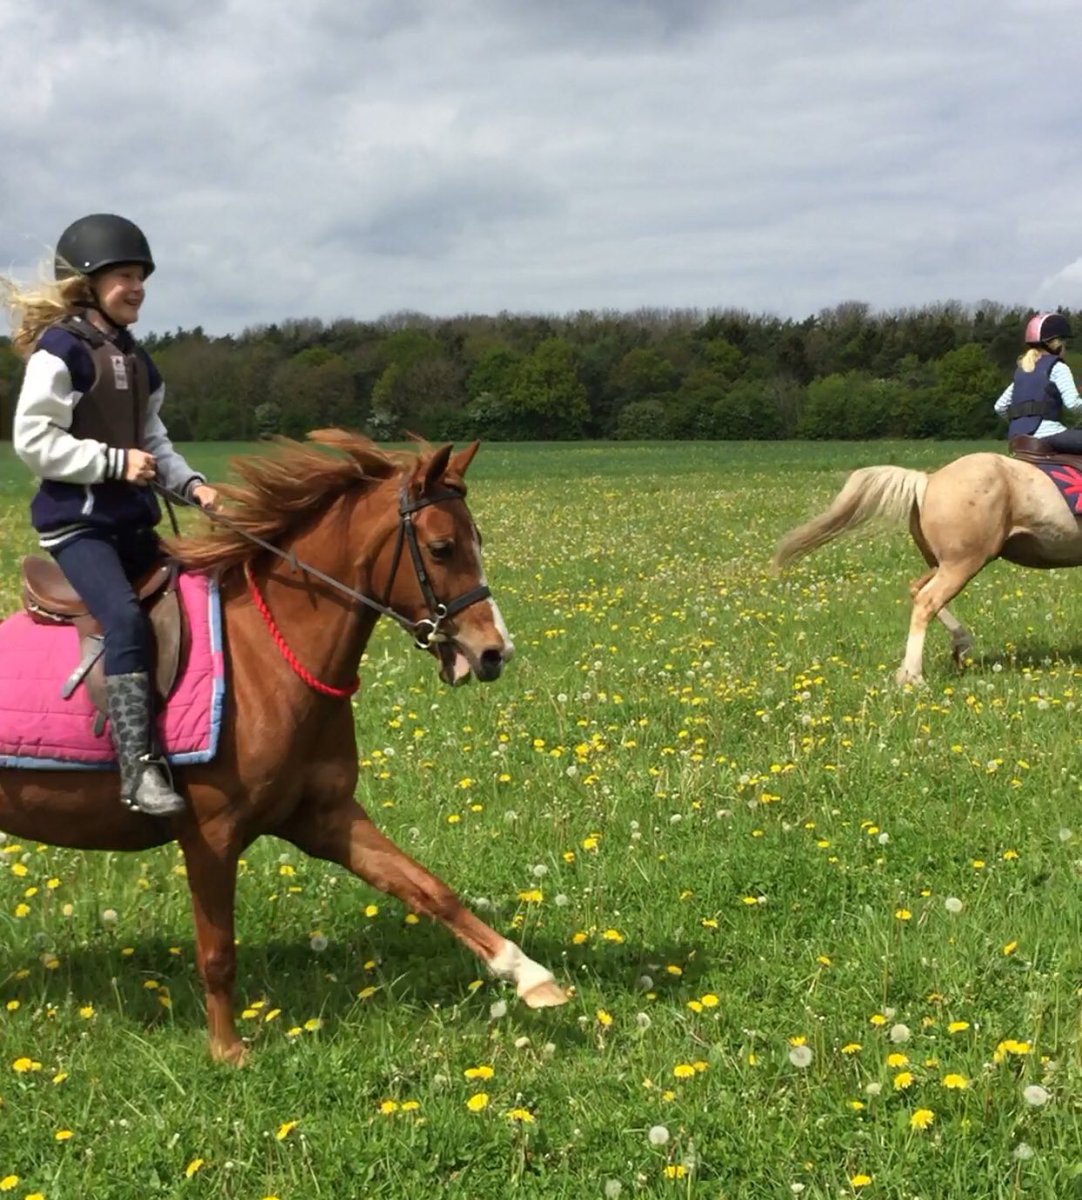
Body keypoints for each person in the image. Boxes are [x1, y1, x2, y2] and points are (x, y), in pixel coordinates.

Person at [6, 213, 217, 817]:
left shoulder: (140, 361)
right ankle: (139, 770)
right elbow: (33, 440)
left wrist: (194, 486)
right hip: (80, 527)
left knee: (203, 593)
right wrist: (112, 462)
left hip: (134, 524)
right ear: (90, 282)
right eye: (124, 275)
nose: (137, 287)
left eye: (142, 277)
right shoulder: (62, 350)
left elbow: (154, 441)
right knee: (123, 621)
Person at [995, 312, 1082, 452]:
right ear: (1056, 345)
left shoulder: (1025, 369)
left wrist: (1021, 423)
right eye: (1065, 343)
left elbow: (1000, 406)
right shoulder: (1058, 367)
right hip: (1049, 436)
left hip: (1018, 439)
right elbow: (1073, 404)